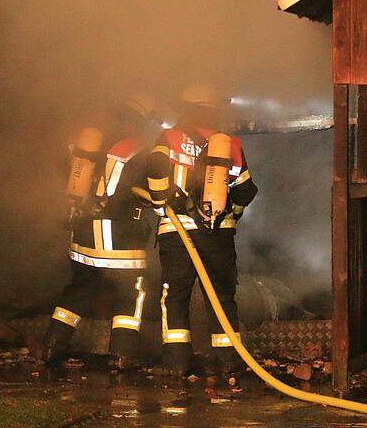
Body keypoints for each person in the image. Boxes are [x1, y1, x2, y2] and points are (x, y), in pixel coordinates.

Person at [145, 84, 258, 376]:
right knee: (221, 296)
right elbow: (245, 190)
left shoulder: (169, 138)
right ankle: (229, 360)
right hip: (218, 234)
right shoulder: (230, 144)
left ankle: (177, 362)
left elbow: (155, 171)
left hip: (177, 232)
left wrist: (160, 205)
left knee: (176, 295)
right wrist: (230, 216)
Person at [42, 94, 161, 368]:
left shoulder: (88, 143)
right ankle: (122, 354)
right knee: (131, 291)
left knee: (80, 287)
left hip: (83, 230)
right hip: (120, 235)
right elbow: (154, 191)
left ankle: (51, 347)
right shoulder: (137, 149)